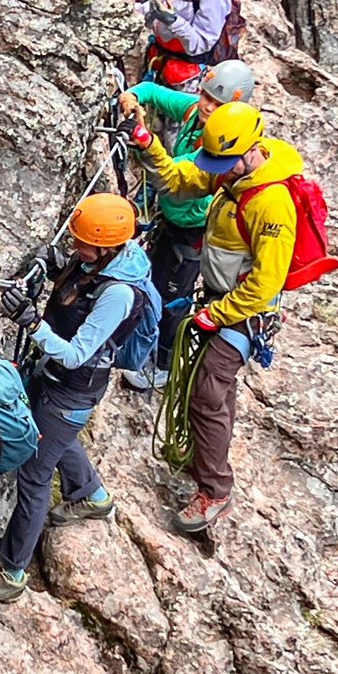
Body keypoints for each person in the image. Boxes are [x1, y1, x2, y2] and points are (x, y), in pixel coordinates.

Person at [0, 195, 155, 606]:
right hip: (57, 385)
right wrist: (54, 266)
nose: (76, 249)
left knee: (34, 477)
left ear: (107, 248)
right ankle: (92, 496)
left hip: (71, 387)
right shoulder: (100, 262)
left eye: (82, 244)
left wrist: (31, 323)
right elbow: (77, 281)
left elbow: (75, 353)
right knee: (56, 437)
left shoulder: (119, 294)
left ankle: (12, 573)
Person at [125, 102, 303, 533]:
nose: (217, 170)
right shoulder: (231, 174)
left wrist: (215, 315)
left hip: (245, 310)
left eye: (224, 162)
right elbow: (181, 180)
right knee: (215, 393)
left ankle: (215, 489)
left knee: (207, 391)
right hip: (221, 299)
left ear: (250, 151)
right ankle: (209, 457)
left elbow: (265, 284)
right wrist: (148, 144)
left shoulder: (273, 204)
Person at [116, 59, 256, 391]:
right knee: (155, 283)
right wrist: (132, 98)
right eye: (206, 96)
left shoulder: (223, 145)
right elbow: (151, 91)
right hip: (172, 220)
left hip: (193, 232)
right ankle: (145, 342)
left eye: (217, 103)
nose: (207, 106)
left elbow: (178, 171)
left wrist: (145, 141)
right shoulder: (194, 110)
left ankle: (162, 363)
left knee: (171, 296)